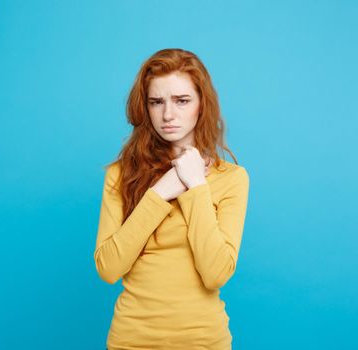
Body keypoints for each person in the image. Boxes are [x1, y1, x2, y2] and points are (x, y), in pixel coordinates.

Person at [94, 48, 250, 350]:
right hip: (131, 340)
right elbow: (108, 268)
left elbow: (216, 273)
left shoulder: (232, 178)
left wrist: (195, 187)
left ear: (202, 105)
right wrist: (159, 193)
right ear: (145, 107)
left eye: (182, 101)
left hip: (204, 341)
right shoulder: (120, 174)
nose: (168, 115)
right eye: (156, 102)